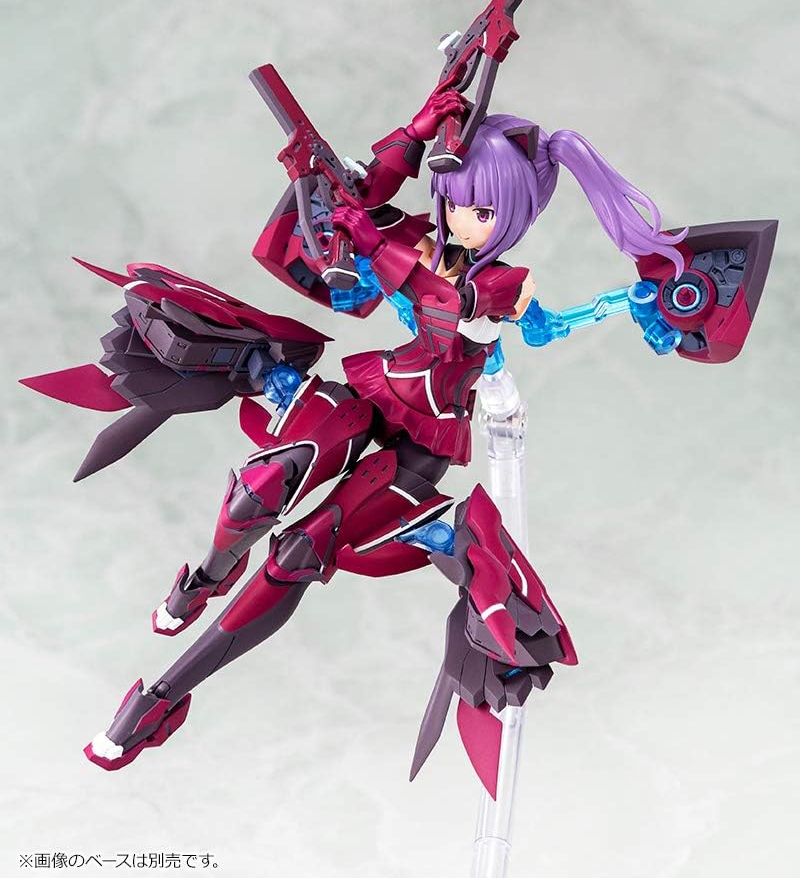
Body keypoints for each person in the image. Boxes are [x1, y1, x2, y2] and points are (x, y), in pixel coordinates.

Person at [84, 85, 683, 770]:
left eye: (482, 211)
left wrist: (621, 302)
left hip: (424, 443)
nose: (461, 220)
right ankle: (206, 576)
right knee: (263, 486)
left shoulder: (503, 284)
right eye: (455, 202)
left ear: (514, 214)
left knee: (300, 552)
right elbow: (366, 200)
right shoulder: (425, 242)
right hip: (375, 391)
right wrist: (416, 132)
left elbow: (480, 312)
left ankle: (162, 699)